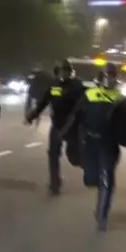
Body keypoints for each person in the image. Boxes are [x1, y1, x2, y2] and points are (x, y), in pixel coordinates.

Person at [64, 63, 121, 231]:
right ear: (101, 76)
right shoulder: (89, 94)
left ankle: (102, 213)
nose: (109, 78)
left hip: (109, 143)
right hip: (90, 143)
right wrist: (65, 133)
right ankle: (96, 183)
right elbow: (75, 115)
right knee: (90, 179)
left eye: (112, 75)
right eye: (107, 75)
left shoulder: (119, 97)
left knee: (108, 179)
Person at [25, 59, 85, 195]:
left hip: (72, 127)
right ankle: (54, 184)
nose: (64, 74)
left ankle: (91, 168)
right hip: (57, 125)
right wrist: (32, 115)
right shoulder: (54, 87)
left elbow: (85, 104)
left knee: (75, 158)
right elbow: (43, 103)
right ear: (57, 73)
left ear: (70, 72)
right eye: (61, 71)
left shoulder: (77, 86)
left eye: (66, 71)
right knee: (53, 154)